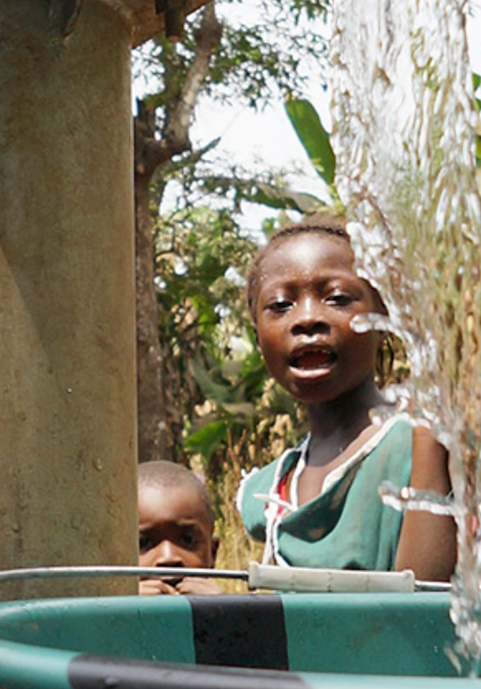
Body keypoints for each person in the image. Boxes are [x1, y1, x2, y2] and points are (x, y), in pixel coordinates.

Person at [237, 215, 456, 580]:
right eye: (280, 305)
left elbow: (424, 614)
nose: (307, 318)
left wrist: (431, 444)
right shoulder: (272, 487)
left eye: (337, 298)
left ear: (385, 317)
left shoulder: (424, 442)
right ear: (258, 338)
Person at [137, 460, 221, 595]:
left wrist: (226, 612)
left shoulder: (229, 610)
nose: (168, 558)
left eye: (188, 540)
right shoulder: (98, 611)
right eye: (143, 543)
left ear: (212, 553)